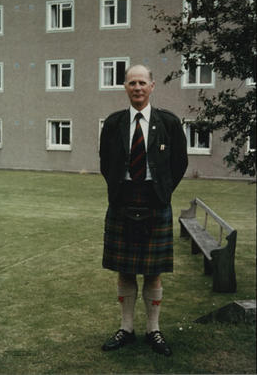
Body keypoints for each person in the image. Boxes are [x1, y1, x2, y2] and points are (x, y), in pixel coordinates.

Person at [99, 65, 188, 357]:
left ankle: (153, 329)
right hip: (123, 199)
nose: (137, 87)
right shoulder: (113, 123)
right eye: (132, 83)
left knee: (153, 271)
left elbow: (179, 162)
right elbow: (106, 162)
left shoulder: (168, 122)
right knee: (125, 269)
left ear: (152, 86)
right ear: (125, 87)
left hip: (155, 200)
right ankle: (126, 328)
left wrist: (162, 190)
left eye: (142, 83)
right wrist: (119, 187)